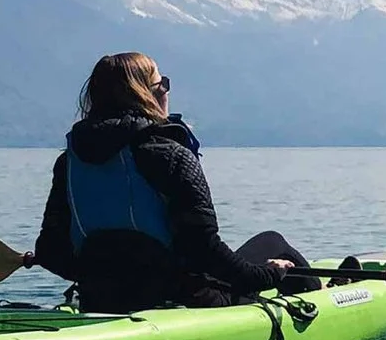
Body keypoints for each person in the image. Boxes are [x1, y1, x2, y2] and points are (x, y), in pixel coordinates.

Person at [29, 52, 313, 313]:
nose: (166, 91)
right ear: (147, 94)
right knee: (273, 243)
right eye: (162, 84)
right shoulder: (170, 156)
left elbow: (51, 253)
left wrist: (106, 278)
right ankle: (326, 300)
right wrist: (267, 275)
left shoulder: (69, 164)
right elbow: (205, 251)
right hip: (187, 304)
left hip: (101, 302)